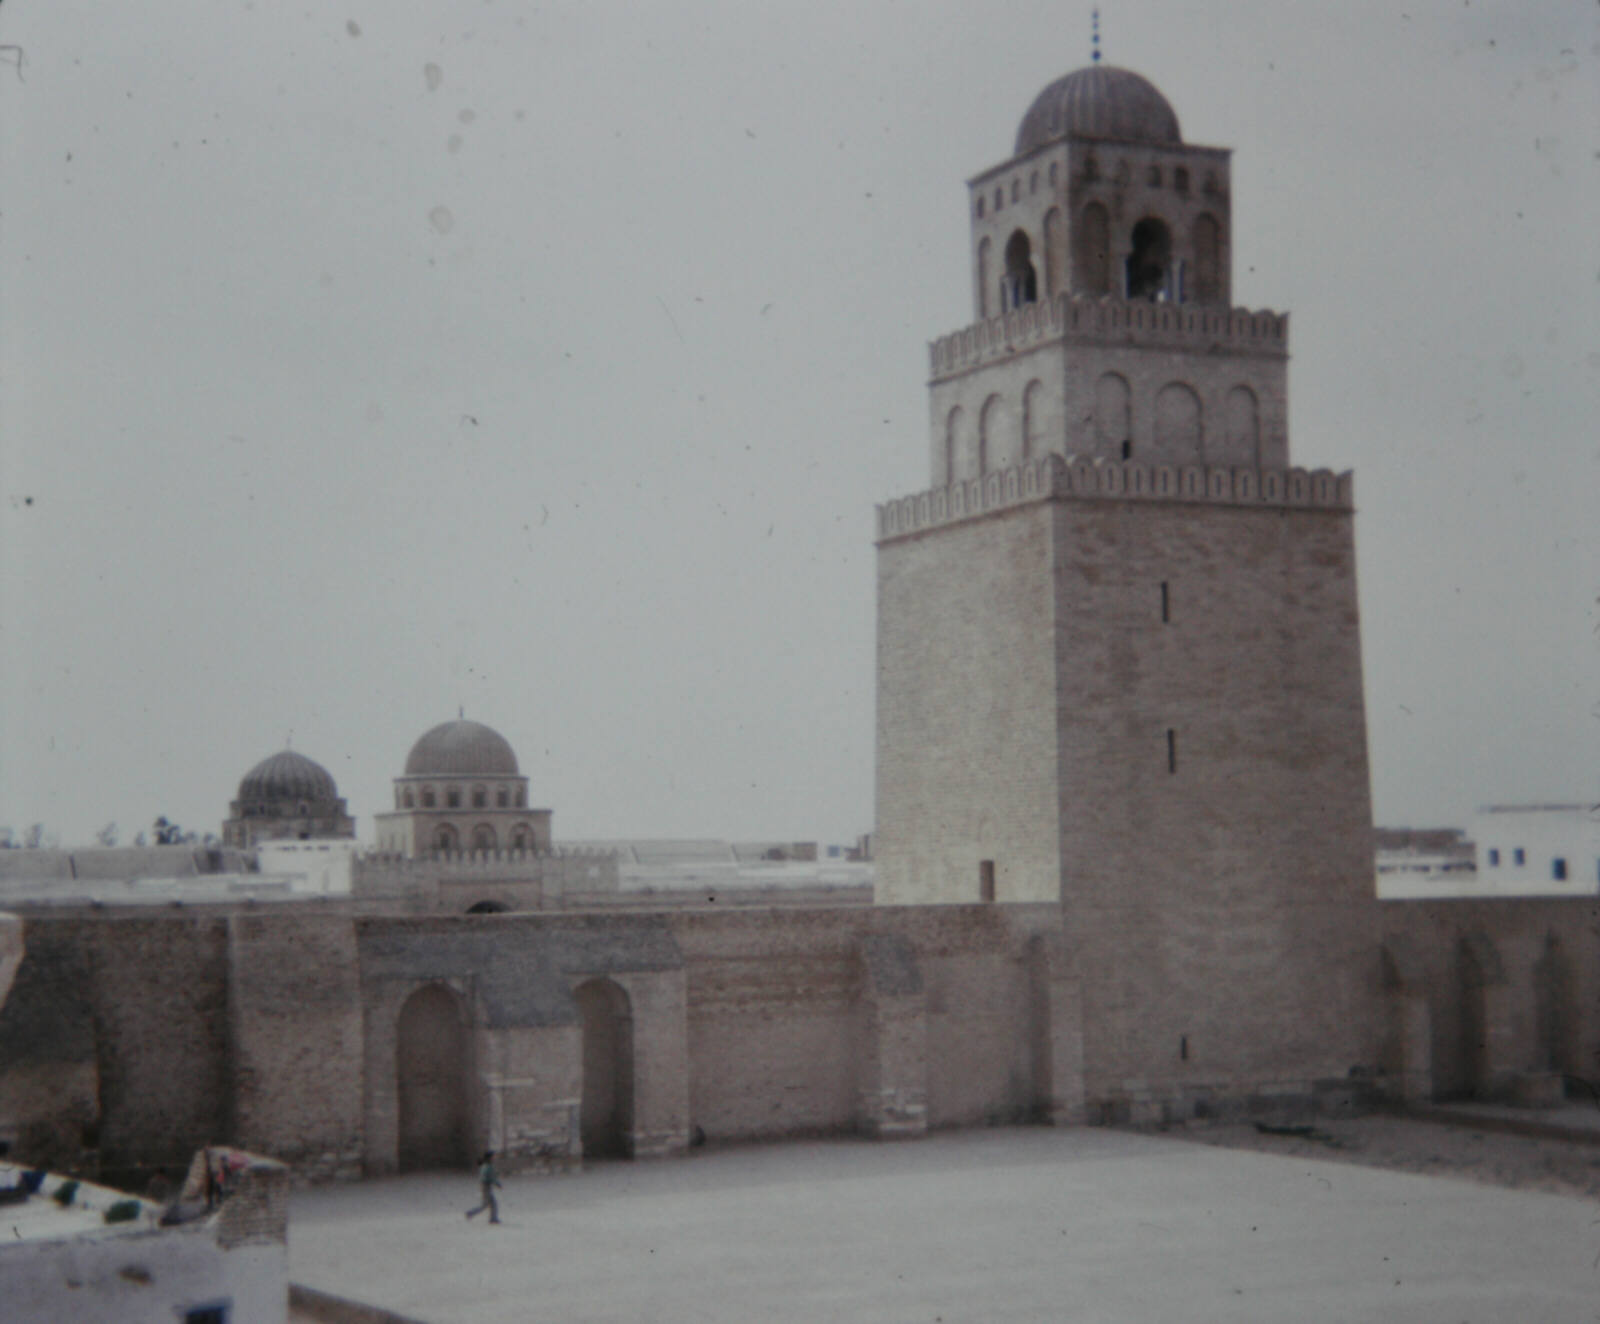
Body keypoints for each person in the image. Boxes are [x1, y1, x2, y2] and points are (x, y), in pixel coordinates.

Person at [465, 1150, 502, 1224]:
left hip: (486, 1186)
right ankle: (470, 1213)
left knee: (493, 1203)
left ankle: (493, 1218)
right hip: (485, 1187)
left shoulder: (488, 1165)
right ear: (489, 1157)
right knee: (485, 1205)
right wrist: (496, 1183)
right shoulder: (487, 1166)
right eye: (493, 1156)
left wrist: (496, 1176)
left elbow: (492, 1175)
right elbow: (488, 1177)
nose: (494, 1158)